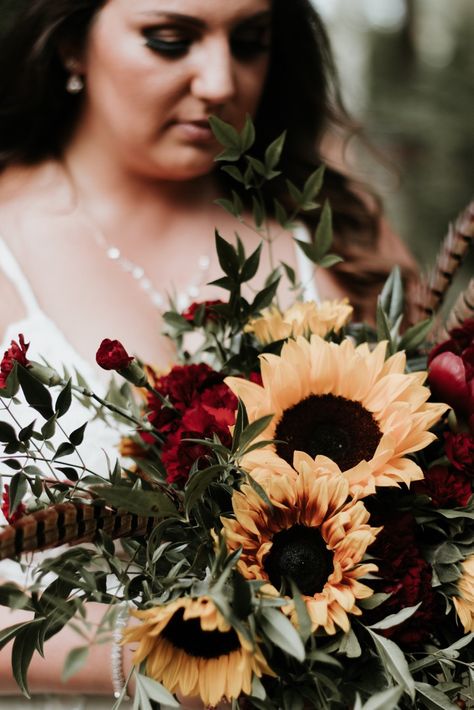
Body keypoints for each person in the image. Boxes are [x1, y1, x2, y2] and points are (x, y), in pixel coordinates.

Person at [0, 0, 418, 706]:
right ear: (71, 44)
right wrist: (173, 655)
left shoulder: (335, 230)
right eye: (170, 41)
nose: (222, 81)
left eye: (251, 41)